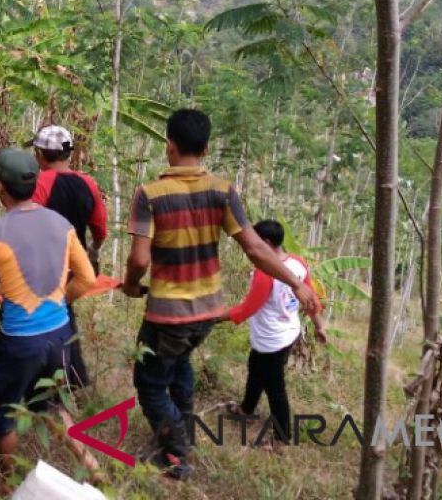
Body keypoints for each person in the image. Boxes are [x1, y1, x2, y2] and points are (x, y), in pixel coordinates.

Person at [121, 108, 319, 480]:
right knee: (179, 365)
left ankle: (176, 455)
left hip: (169, 315)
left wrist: (131, 284)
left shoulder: (149, 194)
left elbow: (139, 258)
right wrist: (296, 282)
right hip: (208, 312)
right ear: (207, 148)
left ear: (169, 146)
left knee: (150, 384)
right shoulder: (223, 191)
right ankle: (184, 432)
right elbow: (258, 249)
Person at [0, 148, 97, 490]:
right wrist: (58, 304)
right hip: (60, 333)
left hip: (19, 341)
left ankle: (5, 481)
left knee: (0, 411)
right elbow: (87, 280)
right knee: (50, 404)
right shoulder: (62, 224)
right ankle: (90, 462)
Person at [223, 219, 326, 449]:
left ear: (266, 243)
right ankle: (246, 409)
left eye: (256, 242)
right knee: (255, 367)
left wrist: (217, 316)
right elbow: (311, 298)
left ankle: (281, 439)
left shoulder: (264, 274)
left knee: (274, 388)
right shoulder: (297, 263)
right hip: (287, 333)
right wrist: (319, 326)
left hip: (271, 339)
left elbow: (248, 308)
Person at [29, 124, 106, 388]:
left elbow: (27, 225)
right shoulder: (88, 183)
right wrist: (92, 255)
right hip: (77, 263)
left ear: (40, 154)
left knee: (44, 320)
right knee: (64, 312)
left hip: (46, 265)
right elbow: (100, 228)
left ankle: (52, 382)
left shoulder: (39, 183)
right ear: (69, 154)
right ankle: (75, 376)